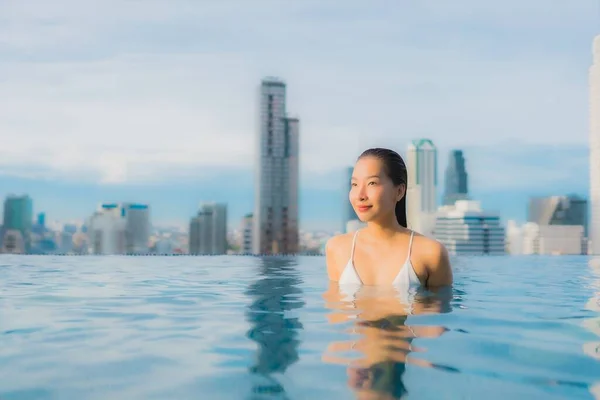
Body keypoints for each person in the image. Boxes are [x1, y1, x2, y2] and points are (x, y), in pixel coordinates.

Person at [326, 147, 453, 289]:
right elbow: (336, 308)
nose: (360, 195)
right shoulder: (337, 248)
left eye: (372, 183)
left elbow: (440, 308)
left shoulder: (431, 253)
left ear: (399, 191)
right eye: (354, 184)